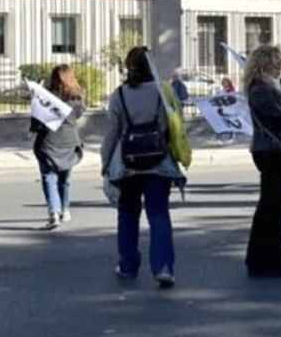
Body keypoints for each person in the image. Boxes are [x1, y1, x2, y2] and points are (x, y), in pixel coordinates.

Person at [101, 47, 186, 289]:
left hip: (128, 164)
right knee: (159, 215)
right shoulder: (165, 92)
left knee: (127, 214)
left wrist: (105, 162)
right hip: (158, 162)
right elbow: (175, 126)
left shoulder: (119, 95)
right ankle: (163, 267)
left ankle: (127, 264)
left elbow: (112, 133)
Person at [244, 44, 281, 279]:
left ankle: (260, 258)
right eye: (276, 60)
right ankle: (270, 260)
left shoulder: (264, 86)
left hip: (266, 147)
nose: (280, 65)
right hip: (270, 148)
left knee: (270, 206)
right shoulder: (263, 89)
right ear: (267, 62)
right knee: (272, 208)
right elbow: (278, 118)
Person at [31, 64, 86, 229]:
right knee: (65, 178)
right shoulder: (77, 98)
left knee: (49, 177)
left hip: (49, 143)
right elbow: (78, 114)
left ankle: (53, 213)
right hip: (70, 142)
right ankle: (65, 210)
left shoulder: (47, 98)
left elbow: (37, 123)